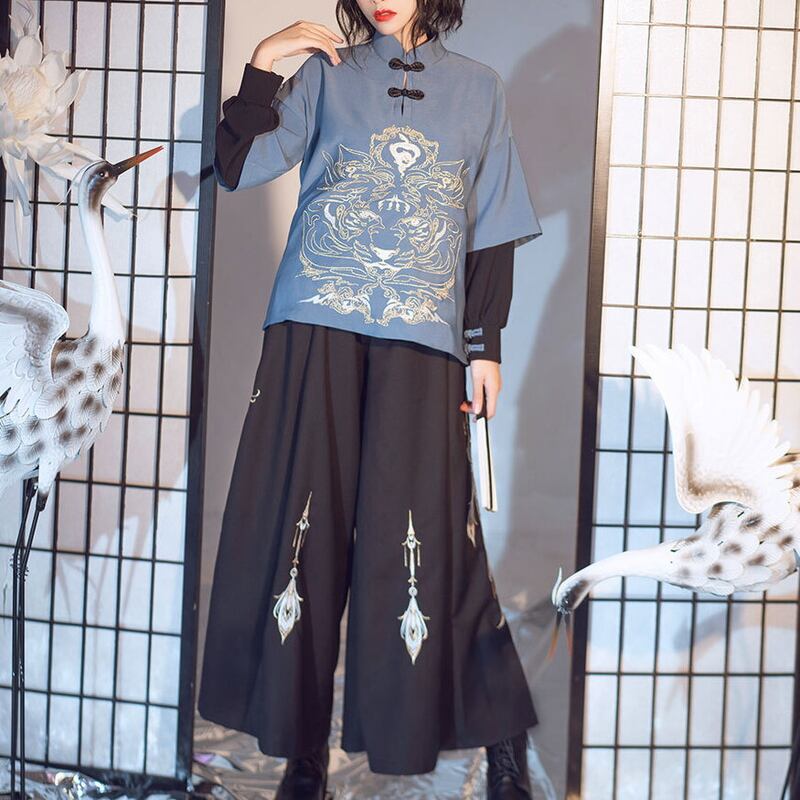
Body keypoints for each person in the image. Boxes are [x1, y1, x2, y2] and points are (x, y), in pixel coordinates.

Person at [197, 2, 544, 798]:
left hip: (423, 339)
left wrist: (485, 346)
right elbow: (239, 166)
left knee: (428, 545)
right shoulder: (326, 76)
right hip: (312, 328)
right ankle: (302, 757)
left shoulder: (480, 89)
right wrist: (264, 61)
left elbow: (491, 224)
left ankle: (502, 735)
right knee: (301, 536)